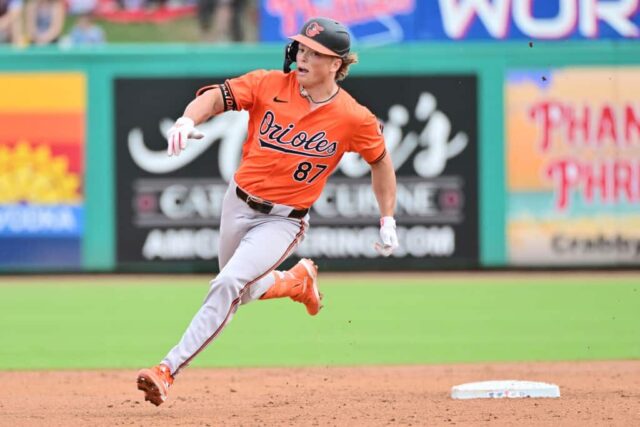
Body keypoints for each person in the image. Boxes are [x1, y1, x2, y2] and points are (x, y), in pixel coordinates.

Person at [136, 16, 399, 406]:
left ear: (337, 65)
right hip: (237, 202)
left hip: (284, 219)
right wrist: (187, 118)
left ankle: (167, 369)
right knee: (241, 290)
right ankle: (296, 282)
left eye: (316, 53)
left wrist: (387, 218)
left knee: (227, 285)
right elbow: (216, 97)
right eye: (303, 49)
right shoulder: (268, 83)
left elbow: (380, 161)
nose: (304, 57)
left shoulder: (352, 117)